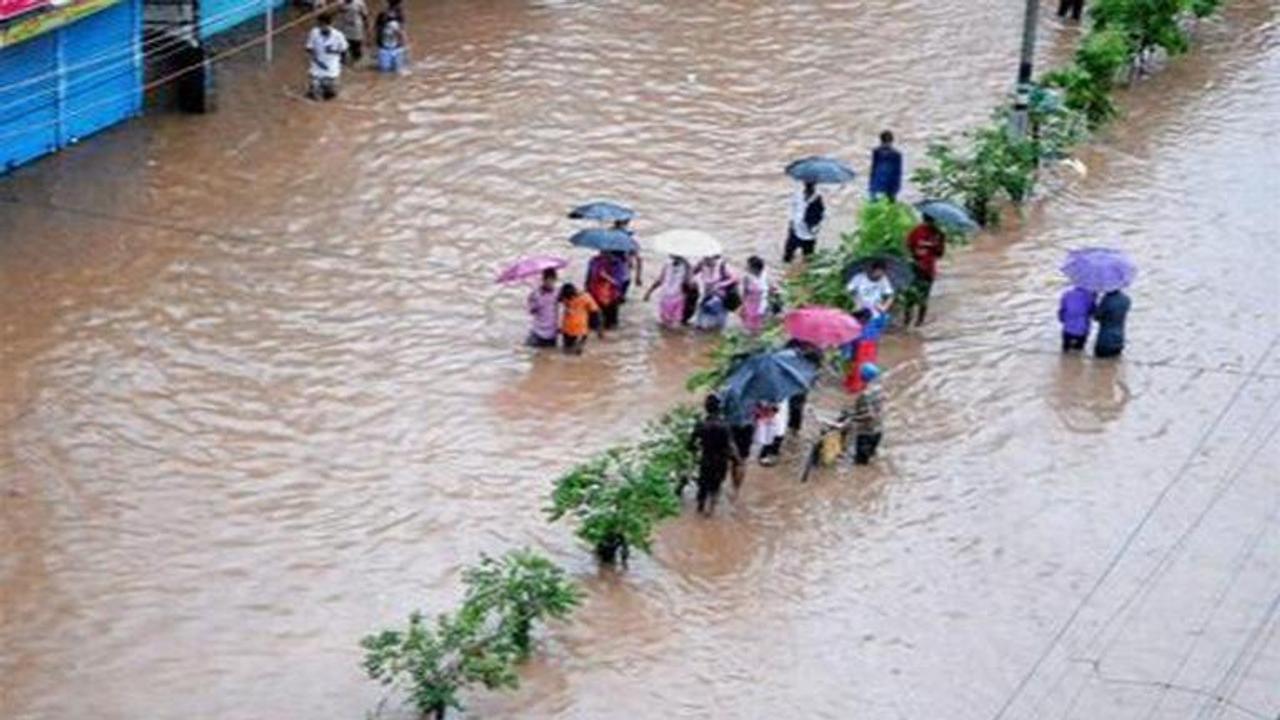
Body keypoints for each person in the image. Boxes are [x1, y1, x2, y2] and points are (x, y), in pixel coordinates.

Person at [689, 394, 740, 516]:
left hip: (706, 458)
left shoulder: (700, 425)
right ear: (719, 408)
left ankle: (700, 507)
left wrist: (695, 450)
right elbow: (731, 446)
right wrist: (737, 460)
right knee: (716, 485)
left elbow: (690, 444)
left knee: (703, 484)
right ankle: (711, 509)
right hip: (721, 460)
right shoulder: (725, 426)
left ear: (706, 408)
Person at [904, 214, 947, 326]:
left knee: (924, 298)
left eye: (932, 222)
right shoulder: (916, 231)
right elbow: (908, 247)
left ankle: (919, 322)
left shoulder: (939, 234)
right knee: (910, 298)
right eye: (928, 221)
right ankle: (907, 321)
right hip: (914, 268)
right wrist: (916, 254)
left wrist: (934, 245)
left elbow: (940, 253)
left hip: (928, 270)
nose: (930, 224)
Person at [305, 14, 349, 101]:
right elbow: (309, 47)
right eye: (320, 25)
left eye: (323, 25)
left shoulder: (338, 35)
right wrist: (315, 58)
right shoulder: (314, 32)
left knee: (329, 93)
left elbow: (344, 50)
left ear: (329, 24)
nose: (321, 28)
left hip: (331, 65)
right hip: (317, 64)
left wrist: (333, 51)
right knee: (313, 89)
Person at [843, 308, 885, 394]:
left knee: (861, 372)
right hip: (859, 354)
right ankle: (854, 387)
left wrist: (882, 312)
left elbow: (882, 322)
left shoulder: (872, 325)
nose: (864, 321)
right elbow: (848, 343)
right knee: (854, 371)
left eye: (866, 319)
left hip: (866, 354)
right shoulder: (855, 329)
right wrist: (846, 353)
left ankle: (858, 387)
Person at [644, 255, 693, 327]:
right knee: (664, 323)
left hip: (677, 298)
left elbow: (688, 284)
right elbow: (660, 280)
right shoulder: (667, 265)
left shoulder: (686, 267)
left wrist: (688, 270)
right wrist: (649, 292)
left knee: (675, 324)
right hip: (665, 297)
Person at [851, 363, 885, 465]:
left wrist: (853, 419)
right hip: (878, 430)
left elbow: (868, 415)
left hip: (866, 433)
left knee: (860, 464)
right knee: (871, 458)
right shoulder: (880, 390)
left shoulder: (864, 395)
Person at [693, 255, 735, 332]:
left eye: (708, 259)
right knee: (700, 325)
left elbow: (735, 278)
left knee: (717, 325)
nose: (706, 261)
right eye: (705, 258)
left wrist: (721, 284)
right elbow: (693, 272)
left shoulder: (722, 265)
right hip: (707, 296)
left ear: (714, 257)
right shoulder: (702, 263)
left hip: (720, 298)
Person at [784, 182, 825, 263]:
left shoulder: (817, 200)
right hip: (797, 232)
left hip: (807, 235)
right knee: (788, 256)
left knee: (807, 259)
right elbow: (793, 208)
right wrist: (792, 222)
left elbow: (819, 216)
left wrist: (814, 228)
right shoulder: (799, 195)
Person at [558, 283, 603, 354]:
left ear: (573, 294)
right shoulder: (564, 296)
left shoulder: (585, 297)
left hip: (580, 331)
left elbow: (596, 312)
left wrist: (599, 328)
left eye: (569, 298)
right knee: (566, 351)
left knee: (578, 352)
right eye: (566, 298)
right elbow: (558, 300)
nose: (567, 300)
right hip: (567, 330)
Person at [585, 251, 622, 330]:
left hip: (611, 296)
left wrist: (606, 276)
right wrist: (587, 288)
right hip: (595, 293)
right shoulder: (594, 261)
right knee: (592, 323)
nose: (604, 254)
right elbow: (589, 275)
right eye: (602, 252)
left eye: (606, 252)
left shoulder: (616, 263)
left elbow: (618, 282)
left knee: (610, 324)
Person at [526, 268, 559, 348]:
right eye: (548, 280)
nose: (550, 283)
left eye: (552, 280)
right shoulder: (536, 294)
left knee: (550, 357)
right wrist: (533, 302)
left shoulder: (557, 293)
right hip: (538, 332)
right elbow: (531, 311)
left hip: (552, 333)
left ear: (555, 280)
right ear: (543, 280)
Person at [1092, 288, 1130, 358]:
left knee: (1099, 365)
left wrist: (1094, 302)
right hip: (1119, 339)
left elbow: (1096, 317)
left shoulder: (1107, 300)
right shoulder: (1126, 299)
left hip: (1105, 340)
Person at [740, 256, 773, 334]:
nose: (746, 267)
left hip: (761, 302)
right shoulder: (747, 277)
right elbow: (745, 292)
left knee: (759, 321)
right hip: (752, 303)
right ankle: (754, 333)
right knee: (752, 323)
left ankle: (756, 333)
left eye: (748, 266)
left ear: (755, 268)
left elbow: (769, 287)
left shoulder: (764, 275)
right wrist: (743, 305)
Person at [1058, 285, 1096, 353]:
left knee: (1065, 351)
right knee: (1079, 351)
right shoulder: (1089, 296)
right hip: (1082, 329)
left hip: (1067, 328)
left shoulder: (1067, 294)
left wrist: (1063, 320)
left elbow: (1062, 311)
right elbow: (1092, 312)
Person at [868, 130, 903, 202]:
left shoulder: (877, 152)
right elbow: (898, 171)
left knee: (876, 203)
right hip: (887, 183)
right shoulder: (896, 154)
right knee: (888, 205)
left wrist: (871, 185)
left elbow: (873, 168)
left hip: (880, 183)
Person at [374, 0, 407, 73]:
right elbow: (402, 32)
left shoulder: (399, 15)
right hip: (390, 47)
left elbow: (376, 29)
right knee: (394, 70)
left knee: (386, 71)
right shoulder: (384, 15)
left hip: (391, 47)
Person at [754, 401, 789, 467]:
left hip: (779, 413)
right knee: (770, 433)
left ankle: (773, 452)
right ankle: (765, 454)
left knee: (778, 432)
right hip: (772, 414)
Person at [336, 0, 369, 64]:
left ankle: (356, 61)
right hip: (343, 27)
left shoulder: (360, 3)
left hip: (356, 28)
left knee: (355, 46)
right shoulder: (340, 2)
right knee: (343, 46)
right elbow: (334, 12)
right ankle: (343, 63)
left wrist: (367, 27)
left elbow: (365, 16)